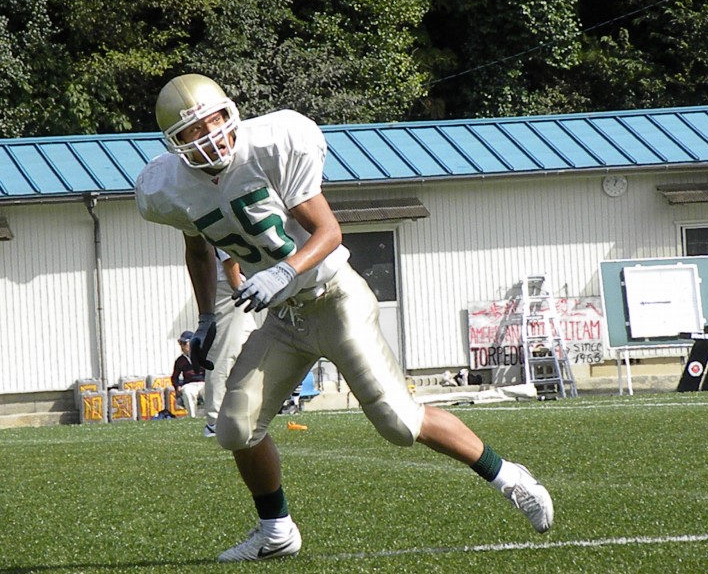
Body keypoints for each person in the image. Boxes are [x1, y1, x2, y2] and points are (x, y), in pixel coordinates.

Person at [135, 73, 553, 562]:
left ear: (231, 113)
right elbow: (198, 248)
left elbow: (328, 231)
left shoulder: (271, 145)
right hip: (284, 317)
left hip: (334, 297)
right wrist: (208, 316)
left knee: (399, 423)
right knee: (235, 428)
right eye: (193, 130)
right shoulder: (168, 188)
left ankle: (509, 478)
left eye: (214, 121)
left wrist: (282, 271)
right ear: (175, 142)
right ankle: (276, 531)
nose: (210, 136)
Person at [202, 249, 258, 438]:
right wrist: (239, 289)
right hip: (227, 287)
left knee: (252, 347)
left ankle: (245, 410)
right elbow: (228, 257)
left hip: (228, 284)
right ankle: (215, 420)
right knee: (223, 354)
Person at [171, 330, 206, 418]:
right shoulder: (180, 361)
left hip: (203, 382)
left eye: (184, 343)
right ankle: (192, 416)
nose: (182, 346)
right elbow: (174, 377)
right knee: (187, 392)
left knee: (208, 391)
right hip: (189, 384)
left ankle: (211, 416)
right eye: (181, 343)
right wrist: (177, 386)